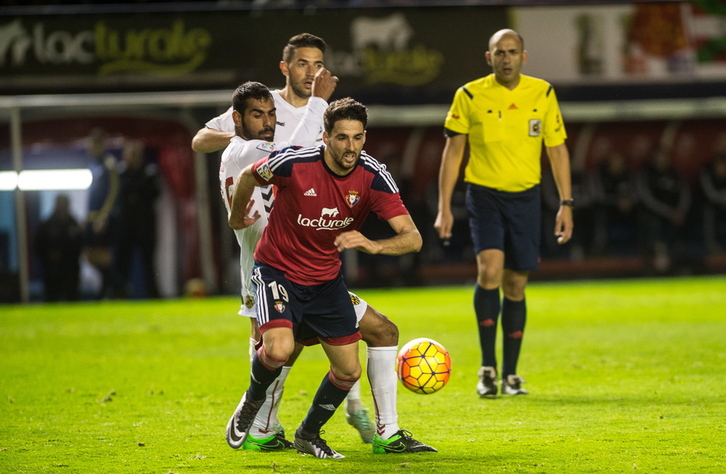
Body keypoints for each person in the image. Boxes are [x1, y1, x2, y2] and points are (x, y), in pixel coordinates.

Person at [196, 33, 432, 454]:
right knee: (278, 348)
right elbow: (241, 159)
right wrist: (234, 217)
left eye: (358, 138)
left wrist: (374, 246)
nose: (350, 147)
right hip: (273, 267)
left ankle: (343, 429)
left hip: (323, 278)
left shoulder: (370, 173)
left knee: (367, 345)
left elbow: (412, 236)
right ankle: (256, 414)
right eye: (341, 138)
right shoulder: (270, 149)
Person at [434, 29, 573, 398]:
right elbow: (453, 152)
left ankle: (511, 374)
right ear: (488, 57)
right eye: (500, 52)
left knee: (516, 283)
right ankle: (487, 368)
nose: (507, 58)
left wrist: (566, 203)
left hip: (527, 198)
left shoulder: (542, 93)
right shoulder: (468, 95)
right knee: (490, 270)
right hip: (484, 196)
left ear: (523, 57)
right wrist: (444, 206)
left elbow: (557, 149)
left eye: (513, 52)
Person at [113, 139, 161, 299]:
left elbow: (155, 193)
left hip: (145, 224)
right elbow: (118, 195)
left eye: (136, 153)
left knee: (148, 262)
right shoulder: (119, 174)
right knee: (122, 262)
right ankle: (119, 294)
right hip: (126, 225)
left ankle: (152, 294)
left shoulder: (149, 172)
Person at [635, 145, 691, 272]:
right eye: (659, 157)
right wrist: (669, 213)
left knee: (688, 221)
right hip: (655, 214)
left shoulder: (675, 173)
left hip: (676, 214)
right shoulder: (646, 173)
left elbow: (685, 194)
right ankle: (654, 261)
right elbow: (646, 199)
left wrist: (680, 211)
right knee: (652, 221)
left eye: (664, 157)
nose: (662, 159)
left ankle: (682, 260)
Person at [83, 128, 119, 299]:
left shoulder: (108, 163)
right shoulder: (94, 165)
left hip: (101, 219)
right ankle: (112, 287)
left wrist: (104, 217)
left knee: (103, 257)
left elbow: (113, 191)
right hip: (92, 218)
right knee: (90, 255)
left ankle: (113, 289)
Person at [35, 194, 83, 302]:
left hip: (70, 270)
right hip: (53, 270)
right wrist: (50, 255)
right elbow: (38, 246)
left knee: (72, 299)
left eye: (64, 205)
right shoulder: (46, 225)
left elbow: (80, 246)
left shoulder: (74, 224)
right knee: (52, 298)